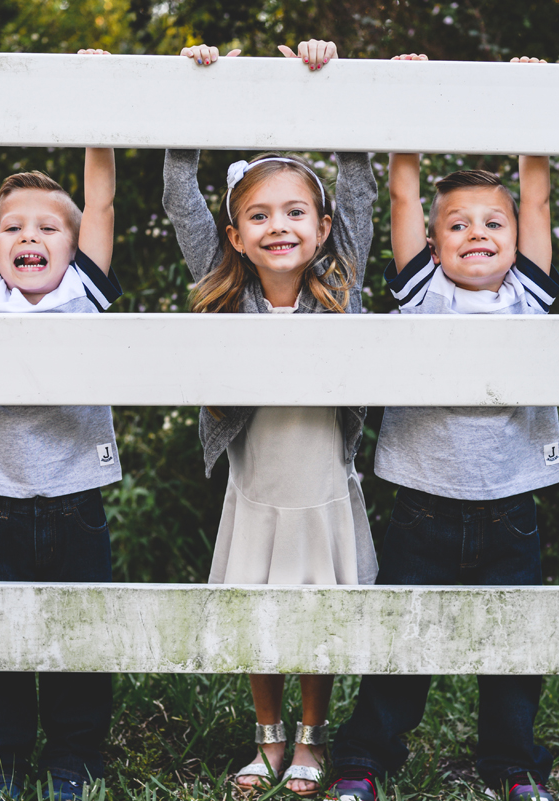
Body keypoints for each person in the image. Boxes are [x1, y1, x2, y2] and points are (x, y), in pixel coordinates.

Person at [327, 55, 559, 801]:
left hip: (512, 502)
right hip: (423, 502)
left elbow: (539, 193)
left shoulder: (528, 289)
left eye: (494, 223)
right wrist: (405, 101)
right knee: (401, 636)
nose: (477, 233)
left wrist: (527, 107)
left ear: (516, 237)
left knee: (513, 645)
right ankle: (365, 756)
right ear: (433, 244)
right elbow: (403, 189)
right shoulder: (421, 288)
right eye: (457, 225)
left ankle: (513, 764)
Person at [163, 39, 379, 798]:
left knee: (317, 608)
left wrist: (327, 81)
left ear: (322, 229)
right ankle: (267, 734)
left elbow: (358, 183)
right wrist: (201, 89)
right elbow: (179, 191)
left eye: (295, 212)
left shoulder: (340, 282)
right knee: (259, 605)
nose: (278, 225)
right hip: (256, 486)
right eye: (258, 215)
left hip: (323, 479)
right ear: (234, 236)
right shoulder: (224, 289)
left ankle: (313, 737)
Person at [0, 46, 123, 801]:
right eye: (13, 226)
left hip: (77, 492)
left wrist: (93, 90)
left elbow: (102, 197)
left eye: (48, 226)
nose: (27, 236)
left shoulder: (86, 289)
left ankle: (76, 758)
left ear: (74, 248)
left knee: (83, 633)